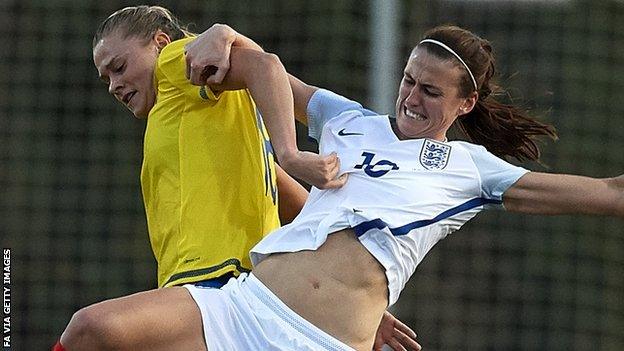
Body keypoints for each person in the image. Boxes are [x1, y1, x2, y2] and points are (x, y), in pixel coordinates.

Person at [59, 20, 624, 351]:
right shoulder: (348, 120)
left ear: (465, 103)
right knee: (92, 330)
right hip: (241, 305)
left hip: (317, 341)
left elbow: (609, 193)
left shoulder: (471, 167)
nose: (410, 98)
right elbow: (264, 68)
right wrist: (222, 33)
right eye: (408, 80)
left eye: (431, 91)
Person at [52, 6, 419, 351]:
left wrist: (290, 153)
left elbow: (265, 66)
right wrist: (346, 290)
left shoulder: (175, 66)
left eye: (119, 66)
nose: (113, 84)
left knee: (88, 329)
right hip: (258, 291)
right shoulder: (198, 118)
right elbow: (286, 195)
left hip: (220, 282)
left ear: (160, 43)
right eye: (105, 78)